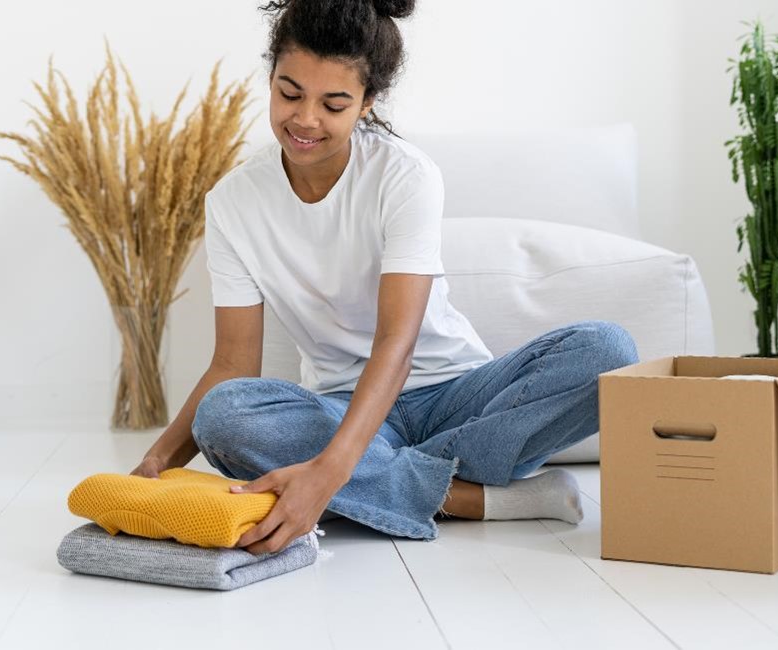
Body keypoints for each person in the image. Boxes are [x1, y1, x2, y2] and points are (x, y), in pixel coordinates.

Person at [131, 0, 639, 555]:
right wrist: (155, 465)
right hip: (339, 408)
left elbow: (396, 343)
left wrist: (327, 474)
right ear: (271, 79)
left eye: (334, 103)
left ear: (367, 103)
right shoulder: (232, 202)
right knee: (225, 416)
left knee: (607, 351)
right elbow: (233, 364)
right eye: (290, 93)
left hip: (454, 394)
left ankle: (377, 483)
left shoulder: (404, 176)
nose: (304, 119)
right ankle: (480, 498)